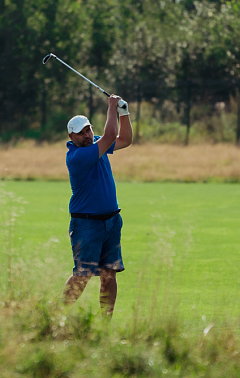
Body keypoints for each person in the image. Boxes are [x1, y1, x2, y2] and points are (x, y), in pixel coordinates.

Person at [63, 94, 133, 318]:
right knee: (82, 275)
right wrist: (112, 107)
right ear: (71, 136)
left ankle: (105, 326)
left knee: (109, 274)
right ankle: (57, 317)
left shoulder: (96, 143)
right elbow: (112, 135)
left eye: (88, 130)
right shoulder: (77, 156)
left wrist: (124, 113)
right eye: (81, 133)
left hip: (111, 221)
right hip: (86, 224)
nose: (86, 135)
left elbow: (125, 139)